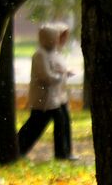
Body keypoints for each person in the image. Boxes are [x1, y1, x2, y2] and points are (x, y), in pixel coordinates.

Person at [17, 22, 75, 160]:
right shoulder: (40, 55)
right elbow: (46, 76)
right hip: (44, 99)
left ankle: (63, 153)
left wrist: (62, 74)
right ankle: (17, 148)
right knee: (35, 126)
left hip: (54, 98)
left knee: (57, 122)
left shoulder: (52, 53)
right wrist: (62, 75)